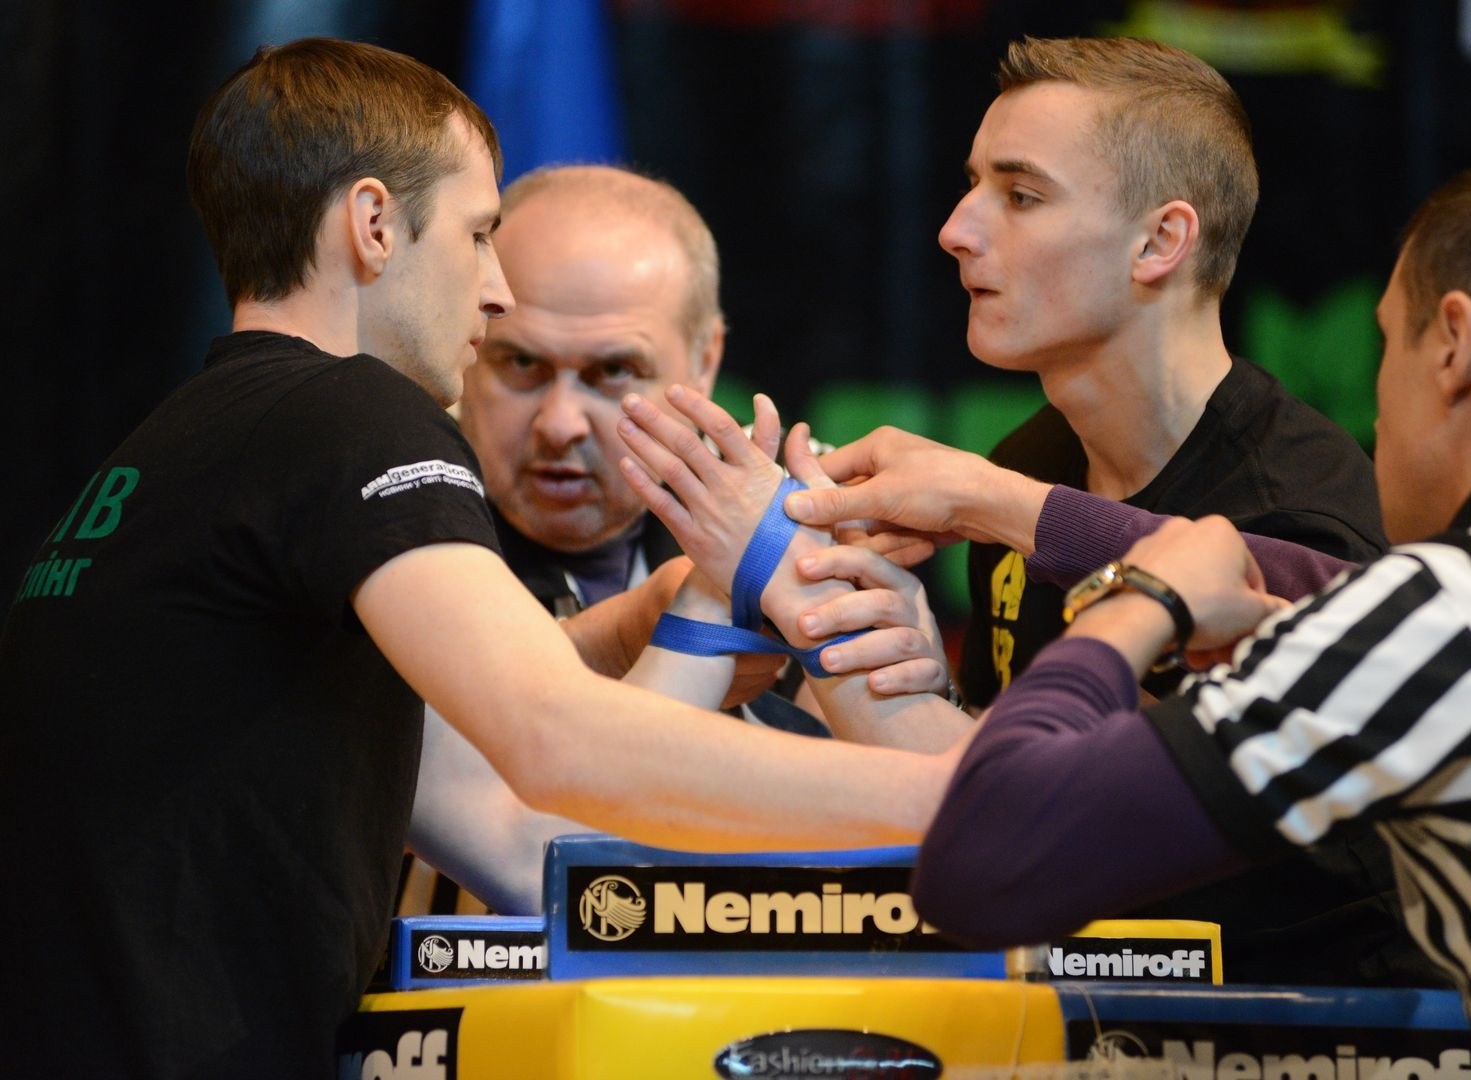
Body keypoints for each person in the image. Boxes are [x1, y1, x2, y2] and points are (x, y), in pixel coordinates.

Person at [0, 39, 956, 1077]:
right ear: (374, 225)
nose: (498, 289)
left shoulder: (197, 444)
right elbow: (563, 741)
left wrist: (705, 607)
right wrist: (974, 799)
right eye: (480, 233)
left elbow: (521, 839)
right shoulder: (353, 415)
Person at [897, 141, 1471, 1078]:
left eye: (1385, 341)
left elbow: (988, 858)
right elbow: (1318, 583)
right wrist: (996, 503)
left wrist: (1137, 600)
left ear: (1455, 343)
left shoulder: (1454, 617)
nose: (1377, 399)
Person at [823, 33, 1415, 986]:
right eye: (972, 184)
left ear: (1160, 242)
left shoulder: (1301, 498)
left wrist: (998, 505)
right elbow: (1032, 806)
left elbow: (1095, 819)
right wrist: (899, 667)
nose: (956, 228)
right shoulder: (1030, 463)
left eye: (1020, 195)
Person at [400, 164, 831, 916]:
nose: (560, 423)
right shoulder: (393, 541)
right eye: (521, 364)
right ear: (471, 334)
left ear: (704, 360)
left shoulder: (799, 549)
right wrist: (658, 623)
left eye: (611, 372)